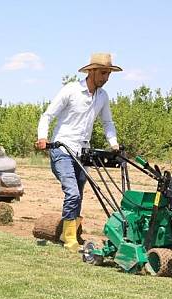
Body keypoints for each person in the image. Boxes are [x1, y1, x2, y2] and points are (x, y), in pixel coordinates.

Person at [36, 53, 122, 251]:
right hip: (62, 150)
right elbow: (47, 115)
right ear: (91, 71)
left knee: (80, 195)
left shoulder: (102, 96)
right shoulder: (71, 90)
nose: (106, 78)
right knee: (73, 193)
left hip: (83, 152)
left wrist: (114, 144)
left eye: (108, 74)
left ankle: (74, 232)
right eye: (103, 73)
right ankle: (69, 238)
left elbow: (107, 122)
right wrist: (42, 138)